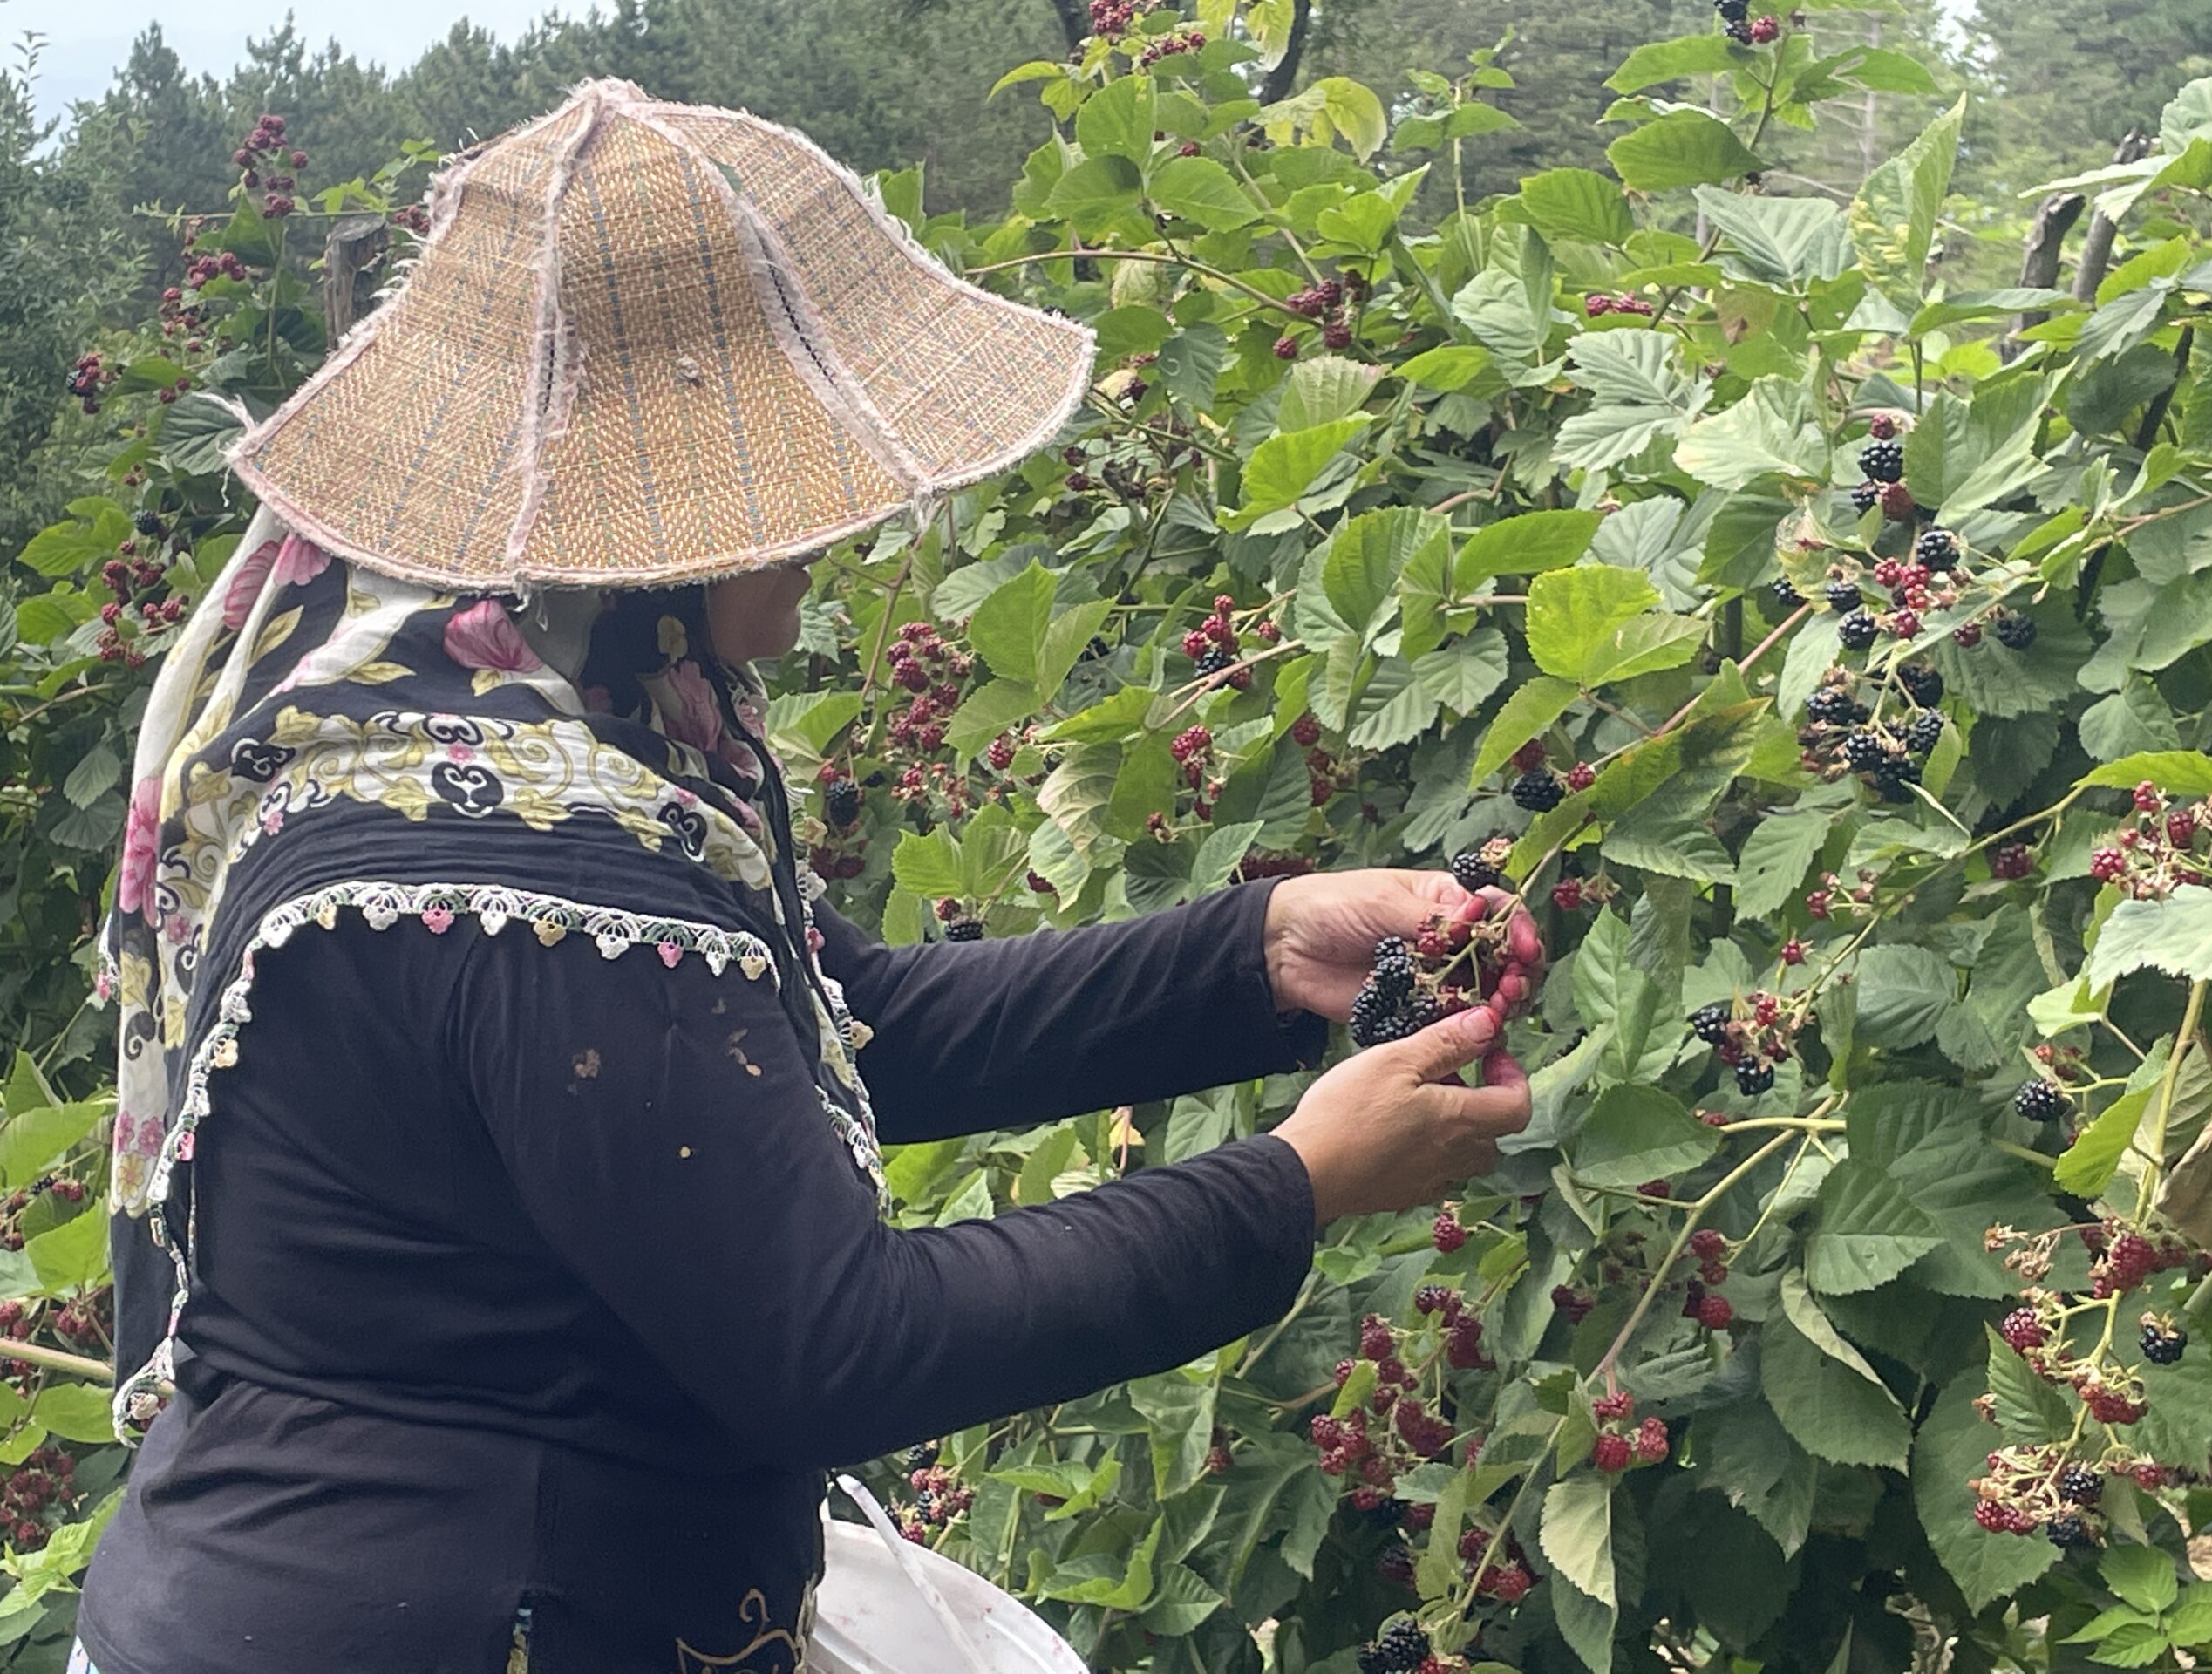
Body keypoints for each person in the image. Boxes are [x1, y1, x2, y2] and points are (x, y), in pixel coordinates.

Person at [74, 79, 1537, 1674]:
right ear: (640, 541)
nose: (831, 524)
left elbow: (852, 1018)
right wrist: (1295, 1182)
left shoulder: (507, 726)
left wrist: (1254, 953)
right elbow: (843, 1345)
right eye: (772, 485)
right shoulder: (516, 861)